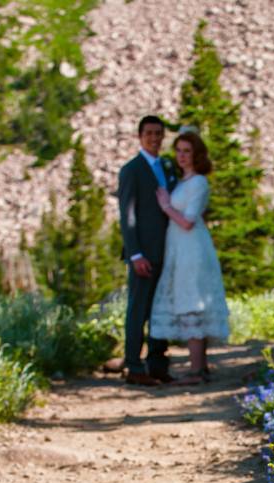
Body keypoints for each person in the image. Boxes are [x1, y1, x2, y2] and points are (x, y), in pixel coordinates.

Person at [149, 128, 229, 384]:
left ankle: (196, 370)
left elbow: (188, 221)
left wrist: (165, 206)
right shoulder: (184, 182)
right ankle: (200, 367)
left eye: (187, 151)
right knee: (189, 301)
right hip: (180, 247)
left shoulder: (198, 182)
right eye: (179, 151)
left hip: (191, 249)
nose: (182, 156)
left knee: (192, 302)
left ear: (197, 155)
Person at [117, 115, 178, 386]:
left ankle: (158, 364)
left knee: (161, 309)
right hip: (143, 254)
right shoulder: (131, 170)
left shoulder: (167, 166)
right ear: (140, 136)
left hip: (168, 250)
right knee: (138, 310)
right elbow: (127, 215)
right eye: (149, 133)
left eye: (158, 133)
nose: (154, 138)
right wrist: (135, 254)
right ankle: (133, 365)